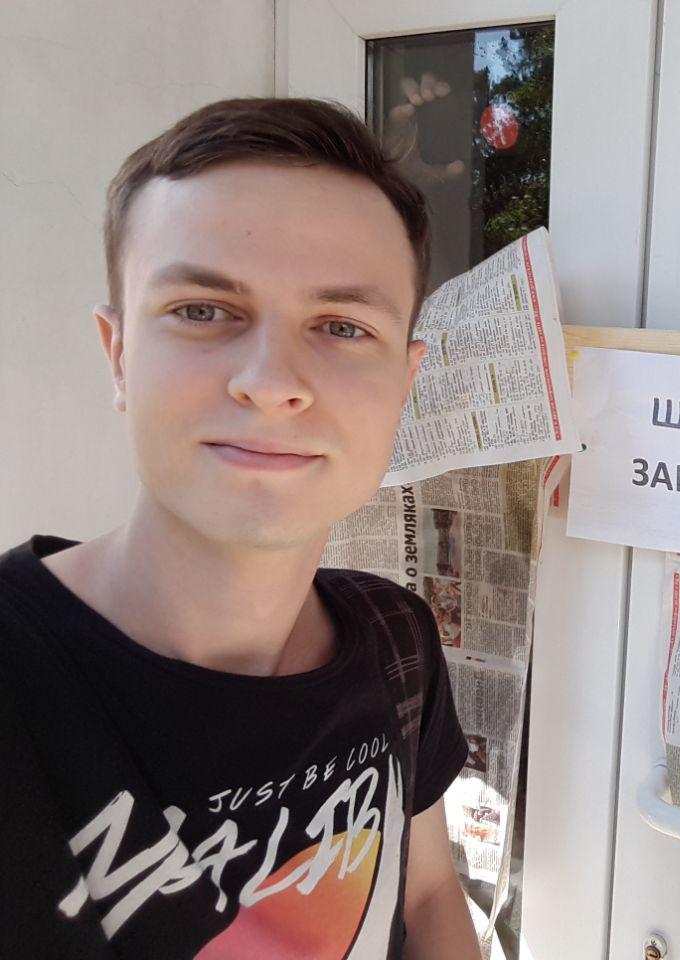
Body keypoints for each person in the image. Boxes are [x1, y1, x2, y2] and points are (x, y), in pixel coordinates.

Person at [0, 98, 481, 958]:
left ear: (403, 383)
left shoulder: (397, 640)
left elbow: (427, 894)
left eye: (342, 326)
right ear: (119, 355)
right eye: (202, 310)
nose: (271, 381)